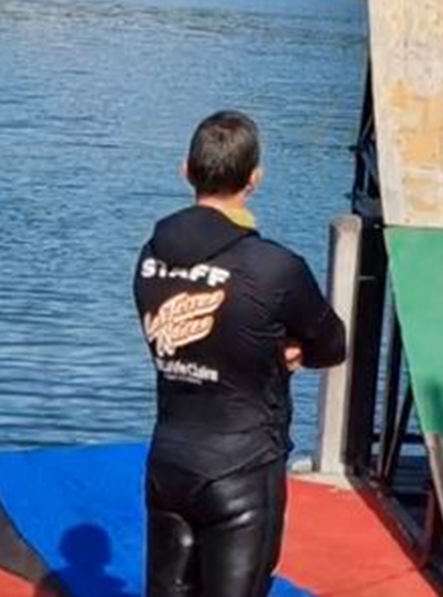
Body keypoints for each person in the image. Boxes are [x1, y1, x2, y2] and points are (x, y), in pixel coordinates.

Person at [136, 111, 346, 597]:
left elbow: (183, 335)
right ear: (255, 179)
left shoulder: (150, 254)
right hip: (242, 469)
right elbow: (332, 344)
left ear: (186, 170)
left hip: (169, 461)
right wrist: (289, 348)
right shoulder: (275, 268)